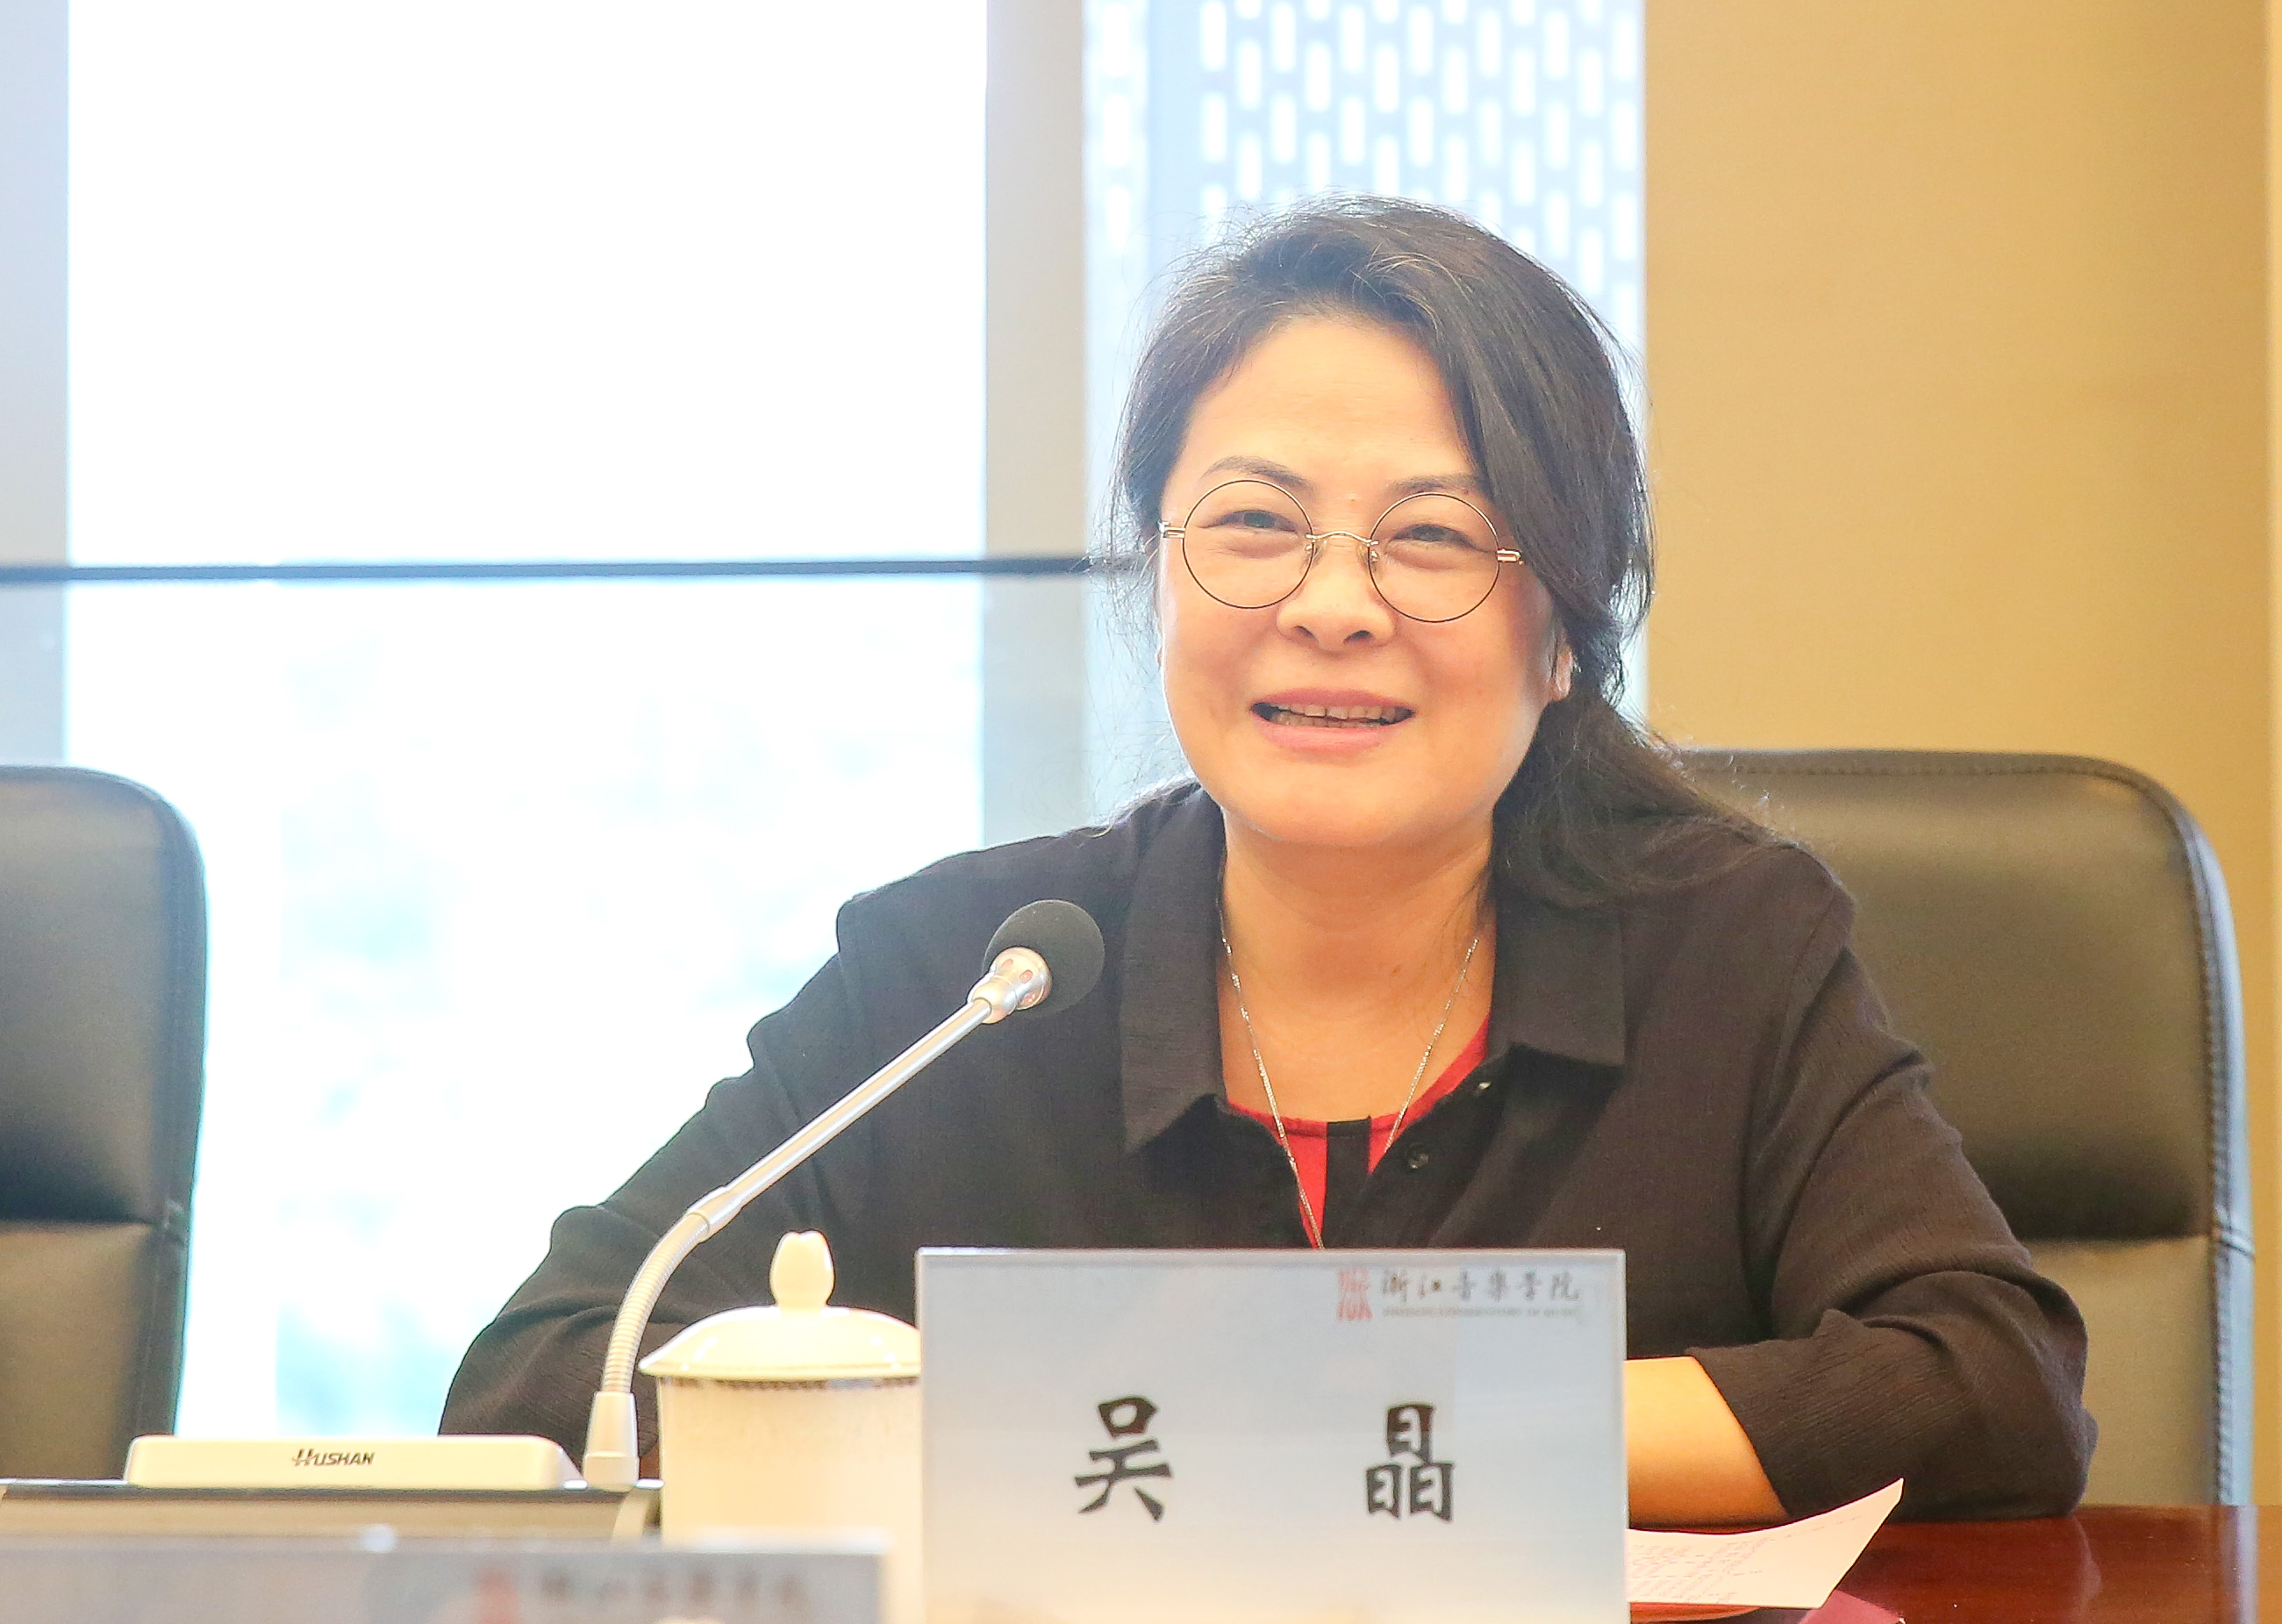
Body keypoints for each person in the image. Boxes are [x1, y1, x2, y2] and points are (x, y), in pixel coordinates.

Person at [442, 196, 2092, 1523]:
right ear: (1159, 574)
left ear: (1563, 635)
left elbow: (1991, 1387)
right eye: (1252, 523)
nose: (1333, 603)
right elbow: (550, 1376)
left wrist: (1328, 1421)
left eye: (1433, 535)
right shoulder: (967, 974)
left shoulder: (1725, 952)